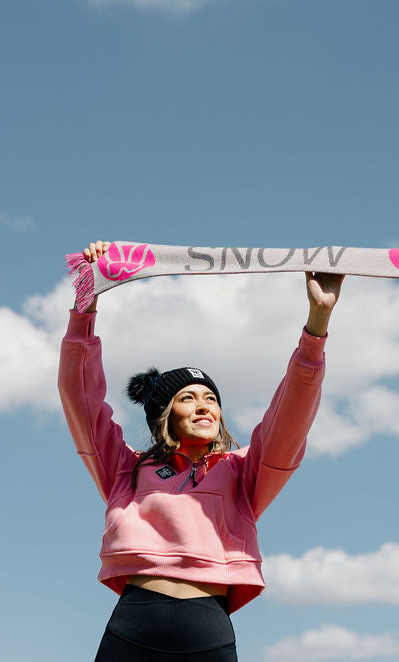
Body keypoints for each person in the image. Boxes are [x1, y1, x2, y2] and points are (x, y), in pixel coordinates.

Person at [59, 240, 344, 661]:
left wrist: (316, 325)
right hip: (134, 623)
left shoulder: (244, 471)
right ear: (165, 414)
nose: (204, 404)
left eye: (210, 397)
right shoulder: (126, 470)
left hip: (207, 630)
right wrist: (86, 304)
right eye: (188, 397)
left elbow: (290, 420)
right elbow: (80, 399)